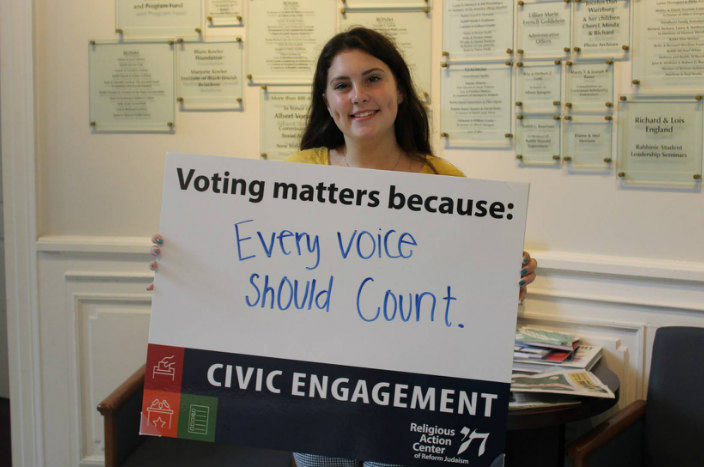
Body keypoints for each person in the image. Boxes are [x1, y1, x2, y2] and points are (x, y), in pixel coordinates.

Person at [150, 26, 537, 467]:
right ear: (327, 101)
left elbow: (473, 293)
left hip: (412, 392)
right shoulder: (293, 176)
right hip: (316, 391)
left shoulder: (444, 182)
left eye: (373, 78)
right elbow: (244, 268)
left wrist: (511, 277)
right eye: (342, 85)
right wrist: (180, 268)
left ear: (400, 90)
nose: (359, 95)